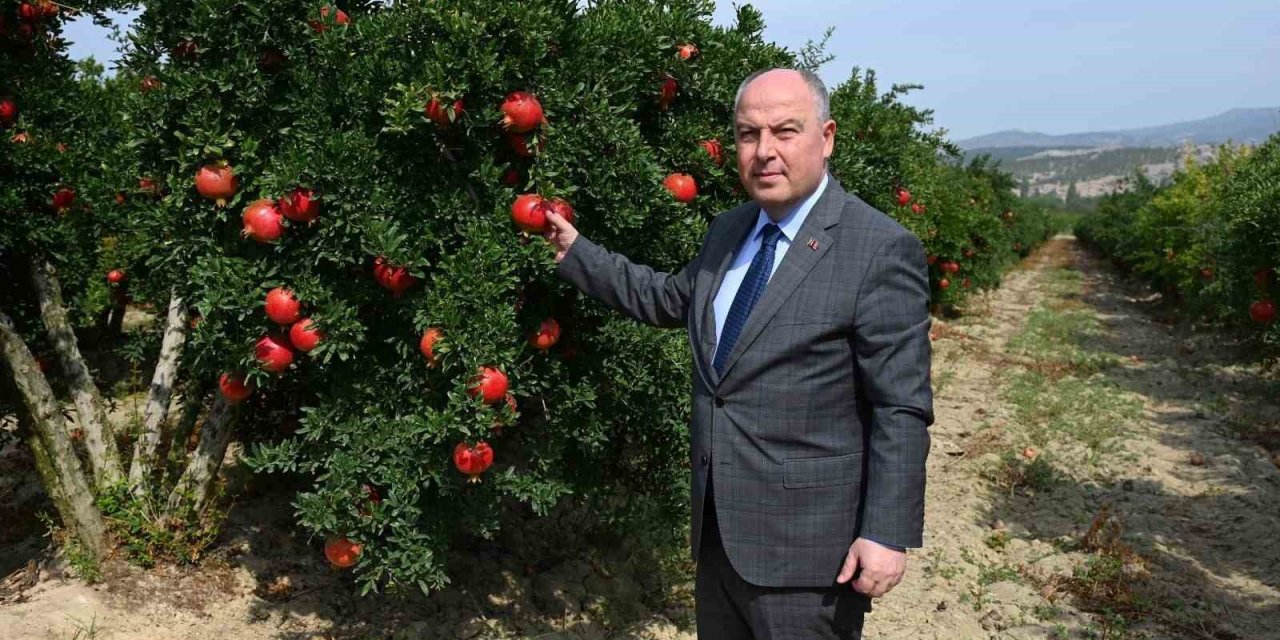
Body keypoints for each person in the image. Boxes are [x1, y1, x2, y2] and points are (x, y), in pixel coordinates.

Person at [542, 68, 933, 639]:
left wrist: (885, 531)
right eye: (749, 134)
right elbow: (666, 298)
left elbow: (900, 405)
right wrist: (577, 252)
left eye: (784, 131)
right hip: (721, 534)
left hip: (810, 555)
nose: (764, 151)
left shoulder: (877, 248)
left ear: (826, 138)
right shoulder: (730, 231)